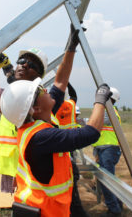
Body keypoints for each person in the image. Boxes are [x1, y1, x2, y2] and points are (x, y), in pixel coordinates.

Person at [0, 27, 80, 193]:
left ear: (39, 74)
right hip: (21, 168)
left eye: (31, 64)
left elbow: (61, 81)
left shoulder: (42, 97)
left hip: (44, 170)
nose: (23, 65)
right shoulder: (11, 96)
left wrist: (70, 49)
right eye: (21, 61)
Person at [0, 78, 113, 217]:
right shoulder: (41, 137)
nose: (46, 90)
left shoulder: (31, 129)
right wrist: (100, 100)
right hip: (46, 212)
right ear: (36, 108)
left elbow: (59, 86)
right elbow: (90, 133)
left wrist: (70, 55)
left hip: (36, 208)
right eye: (40, 90)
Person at [55, 83, 89, 216]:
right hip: (69, 147)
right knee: (71, 183)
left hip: (57, 149)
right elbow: (74, 95)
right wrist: (67, 83)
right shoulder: (70, 105)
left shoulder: (52, 108)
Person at [91, 87, 123, 217]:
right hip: (103, 149)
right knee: (108, 179)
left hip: (108, 149)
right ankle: (117, 203)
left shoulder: (109, 112)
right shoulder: (107, 111)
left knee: (107, 180)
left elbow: (96, 121)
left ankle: (114, 210)